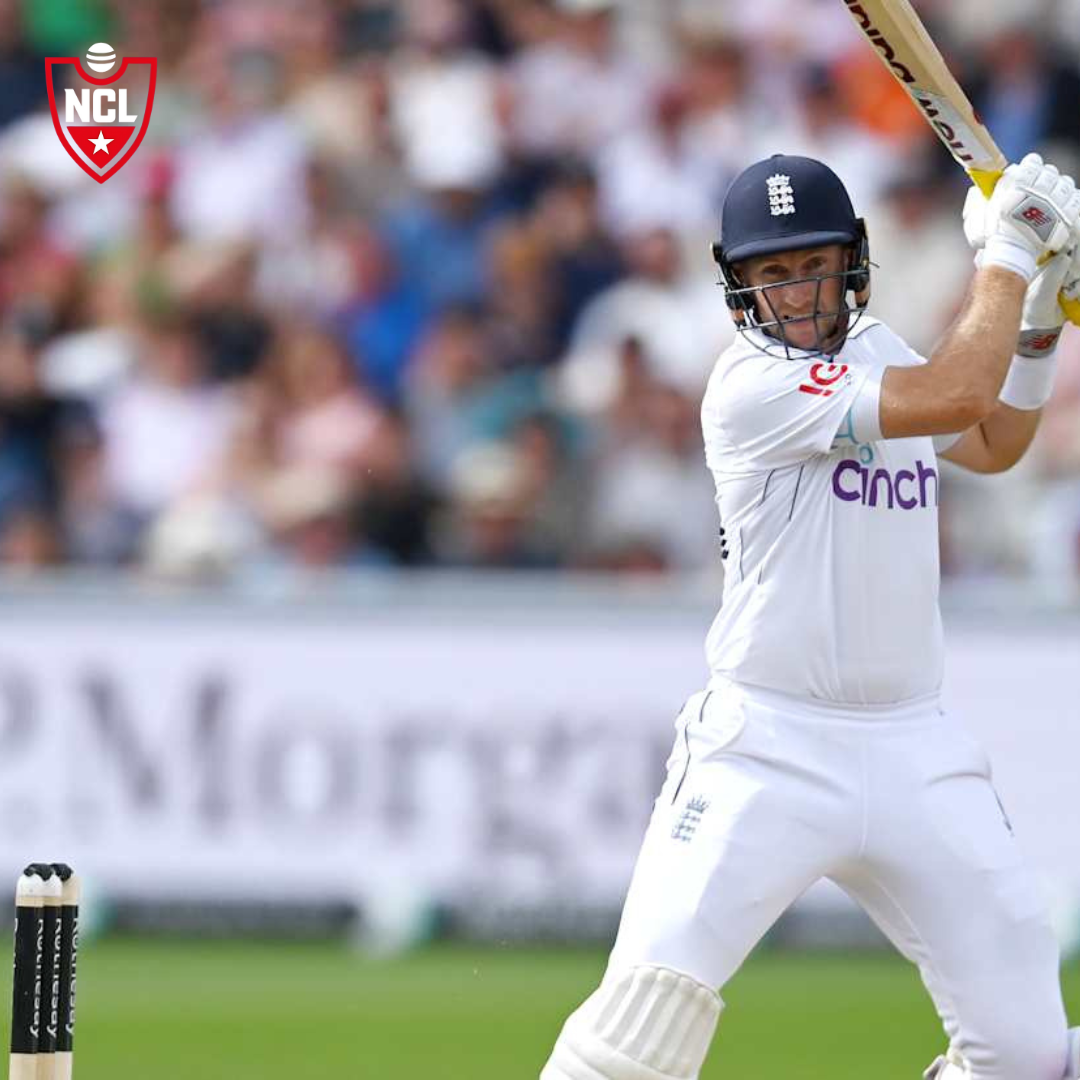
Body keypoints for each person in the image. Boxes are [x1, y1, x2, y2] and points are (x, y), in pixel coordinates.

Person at [539, 151, 1080, 1080]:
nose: (795, 290)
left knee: (1030, 1060)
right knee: (635, 1038)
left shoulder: (883, 354)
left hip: (917, 745)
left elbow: (992, 440)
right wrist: (1011, 255)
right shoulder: (749, 386)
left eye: (813, 264)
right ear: (738, 285)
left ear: (854, 261)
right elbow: (956, 395)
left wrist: (1036, 318)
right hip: (767, 746)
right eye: (771, 272)